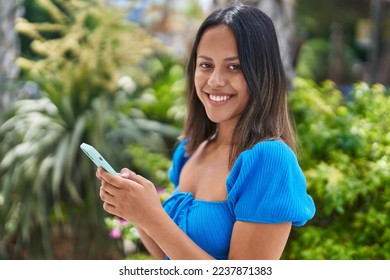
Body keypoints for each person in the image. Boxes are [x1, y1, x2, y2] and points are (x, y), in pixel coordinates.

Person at [96, 2, 315, 260]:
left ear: (262, 73)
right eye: (206, 65)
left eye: (234, 66)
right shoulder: (190, 150)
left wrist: (152, 218)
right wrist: (138, 212)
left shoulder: (268, 160)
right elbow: (169, 257)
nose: (215, 81)